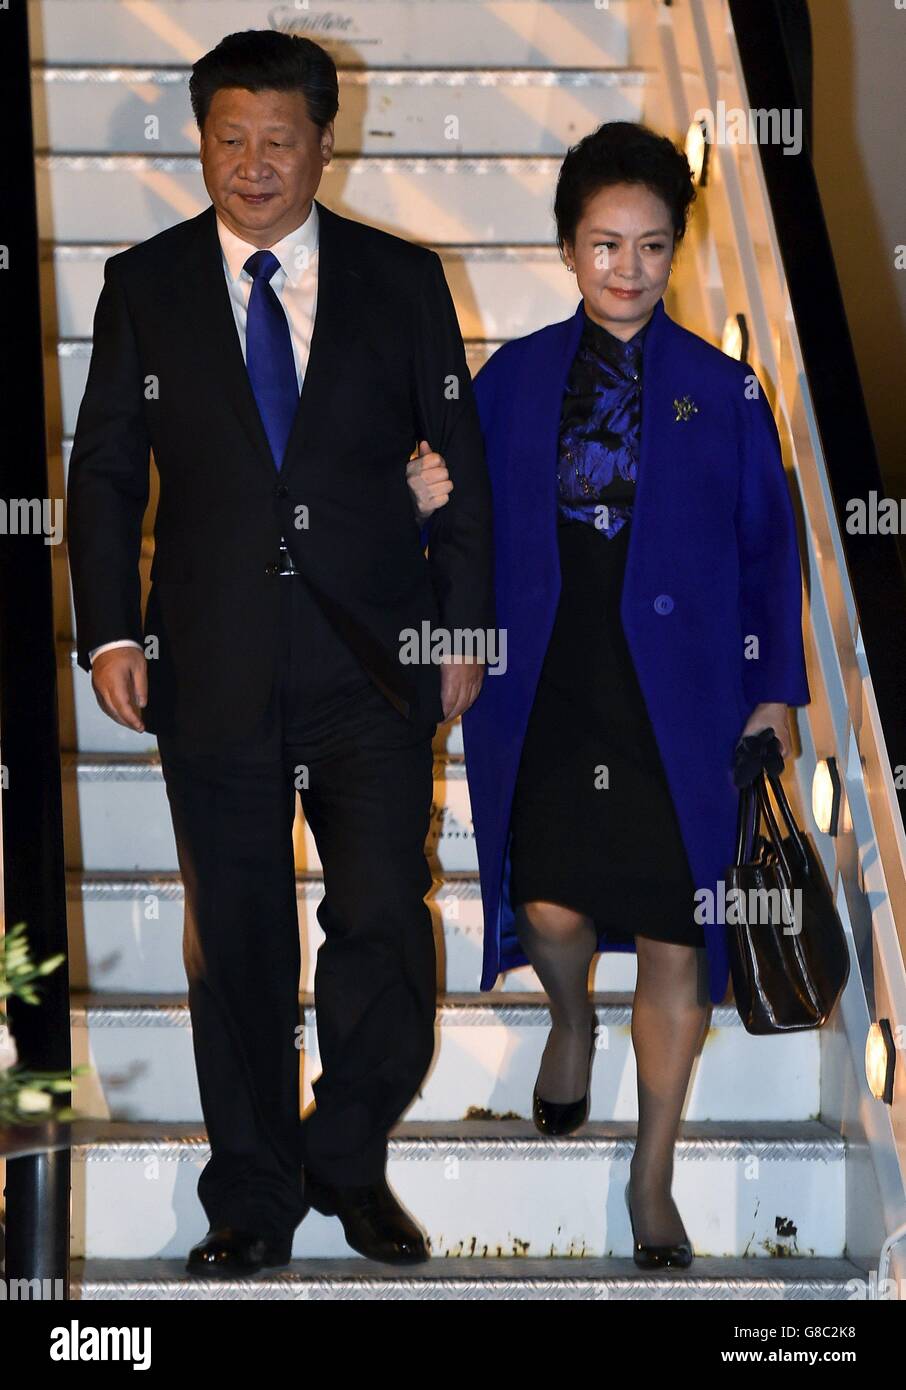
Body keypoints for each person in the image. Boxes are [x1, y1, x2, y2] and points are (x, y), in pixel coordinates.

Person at [66, 28, 493, 1275]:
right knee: (238, 936)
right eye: (229, 139)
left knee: (380, 917)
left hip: (373, 664)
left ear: (324, 142)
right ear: (203, 142)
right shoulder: (143, 283)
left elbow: (455, 469)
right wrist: (106, 628)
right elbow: (103, 477)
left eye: (279, 140)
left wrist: (462, 619)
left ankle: (345, 1160)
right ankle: (251, 1194)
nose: (253, 165)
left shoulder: (402, 280)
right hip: (211, 662)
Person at [425, 121, 810, 1268]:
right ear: (567, 247)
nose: (627, 270)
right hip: (547, 677)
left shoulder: (723, 387)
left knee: (676, 928)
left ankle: (651, 1171)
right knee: (543, 899)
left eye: (649, 246)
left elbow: (765, 549)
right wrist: (424, 500)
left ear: (678, 247)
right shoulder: (514, 376)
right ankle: (572, 1012)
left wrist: (773, 690)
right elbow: (470, 524)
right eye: (604, 245)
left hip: (682, 696)